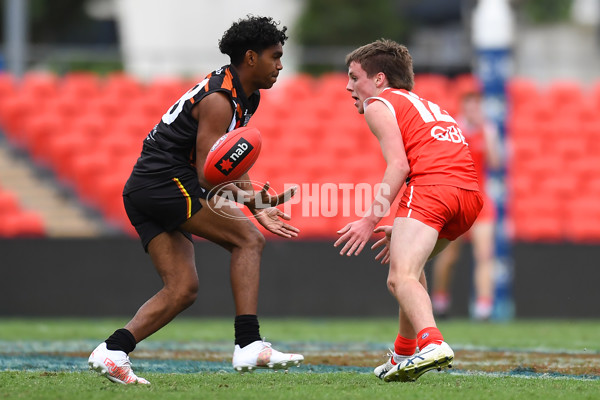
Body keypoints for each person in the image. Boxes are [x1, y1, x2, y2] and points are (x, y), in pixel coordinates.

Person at [88, 16, 303, 385]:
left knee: (183, 288)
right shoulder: (220, 98)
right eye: (275, 56)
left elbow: (234, 157)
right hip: (164, 182)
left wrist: (256, 202)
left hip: (146, 187)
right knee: (248, 240)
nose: (280, 65)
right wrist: (252, 205)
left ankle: (113, 350)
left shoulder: (244, 94)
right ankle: (249, 342)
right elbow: (209, 173)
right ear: (250, 58)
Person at [334, 39, 483, 382]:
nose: (348, 85)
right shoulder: (426, 104)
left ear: (380, 79)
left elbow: (399, 166)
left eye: (355, 76)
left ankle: (432, 343)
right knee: (411, 273)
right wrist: (404, 226)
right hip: (469, 197)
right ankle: (404, 351)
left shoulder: (377, 103)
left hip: (432, 189)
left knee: (399, 277)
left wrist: (370, 219)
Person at [431, 89, 502, 321]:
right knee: (449, 256)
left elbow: (496, 163)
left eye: (477, 107)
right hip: (458, 200)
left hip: (481, 201)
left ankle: (484, 307)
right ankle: (440, 299)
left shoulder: (487, 130)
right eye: (470, 107)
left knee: (484, 255)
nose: (474, 111)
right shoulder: (454, 130)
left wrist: (489, 137)